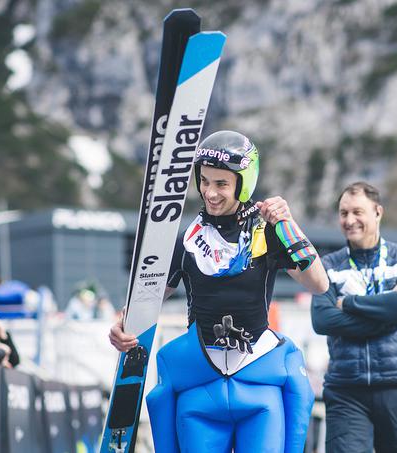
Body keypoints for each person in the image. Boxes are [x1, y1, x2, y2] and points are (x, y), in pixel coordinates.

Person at [110, 130, 329, 453]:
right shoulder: (186, 240)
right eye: (205, 181)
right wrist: (121, 323)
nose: (210, 193)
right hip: (201, 387)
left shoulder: (266, 233)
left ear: (243, 184)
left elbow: (318, 283)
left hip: (258, 384)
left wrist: (286, 224)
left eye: (221, 184)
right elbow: (148, 301)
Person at [310, 182, 397, 453]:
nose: (350, 220)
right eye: (343, 213)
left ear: (378, 212)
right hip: (346, 389)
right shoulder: (327, 265)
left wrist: (348, 303)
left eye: (357, 212)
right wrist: (387, 310)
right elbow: (322, 320)